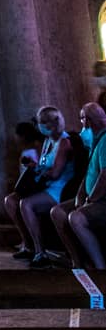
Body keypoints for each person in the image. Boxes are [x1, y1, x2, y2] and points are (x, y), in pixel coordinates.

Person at [3, 106, 75, 266]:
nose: (40, 126)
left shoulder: (64, 142)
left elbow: (56, 173)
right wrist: (34, 167)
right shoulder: (48, 141)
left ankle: (40, 251)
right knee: (11, 201)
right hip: (45, 185)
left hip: (60, 188)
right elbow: (43, 164)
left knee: (26, 204)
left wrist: (38, 168)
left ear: (52, 123)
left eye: (43, 122)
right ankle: (27, 244)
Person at [50, 103, 106, 270]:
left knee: (76, 217)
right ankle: (77, 262)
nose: (82, 124)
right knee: (58, 212)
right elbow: (90, 174)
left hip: (101, 200)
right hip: (91, 196)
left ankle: (100, 267)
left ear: (88, 121)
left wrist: (90, 199)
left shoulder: (104, 140)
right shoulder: (95, 142)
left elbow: (104, 176)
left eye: (82, 119)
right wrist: (80, 196)